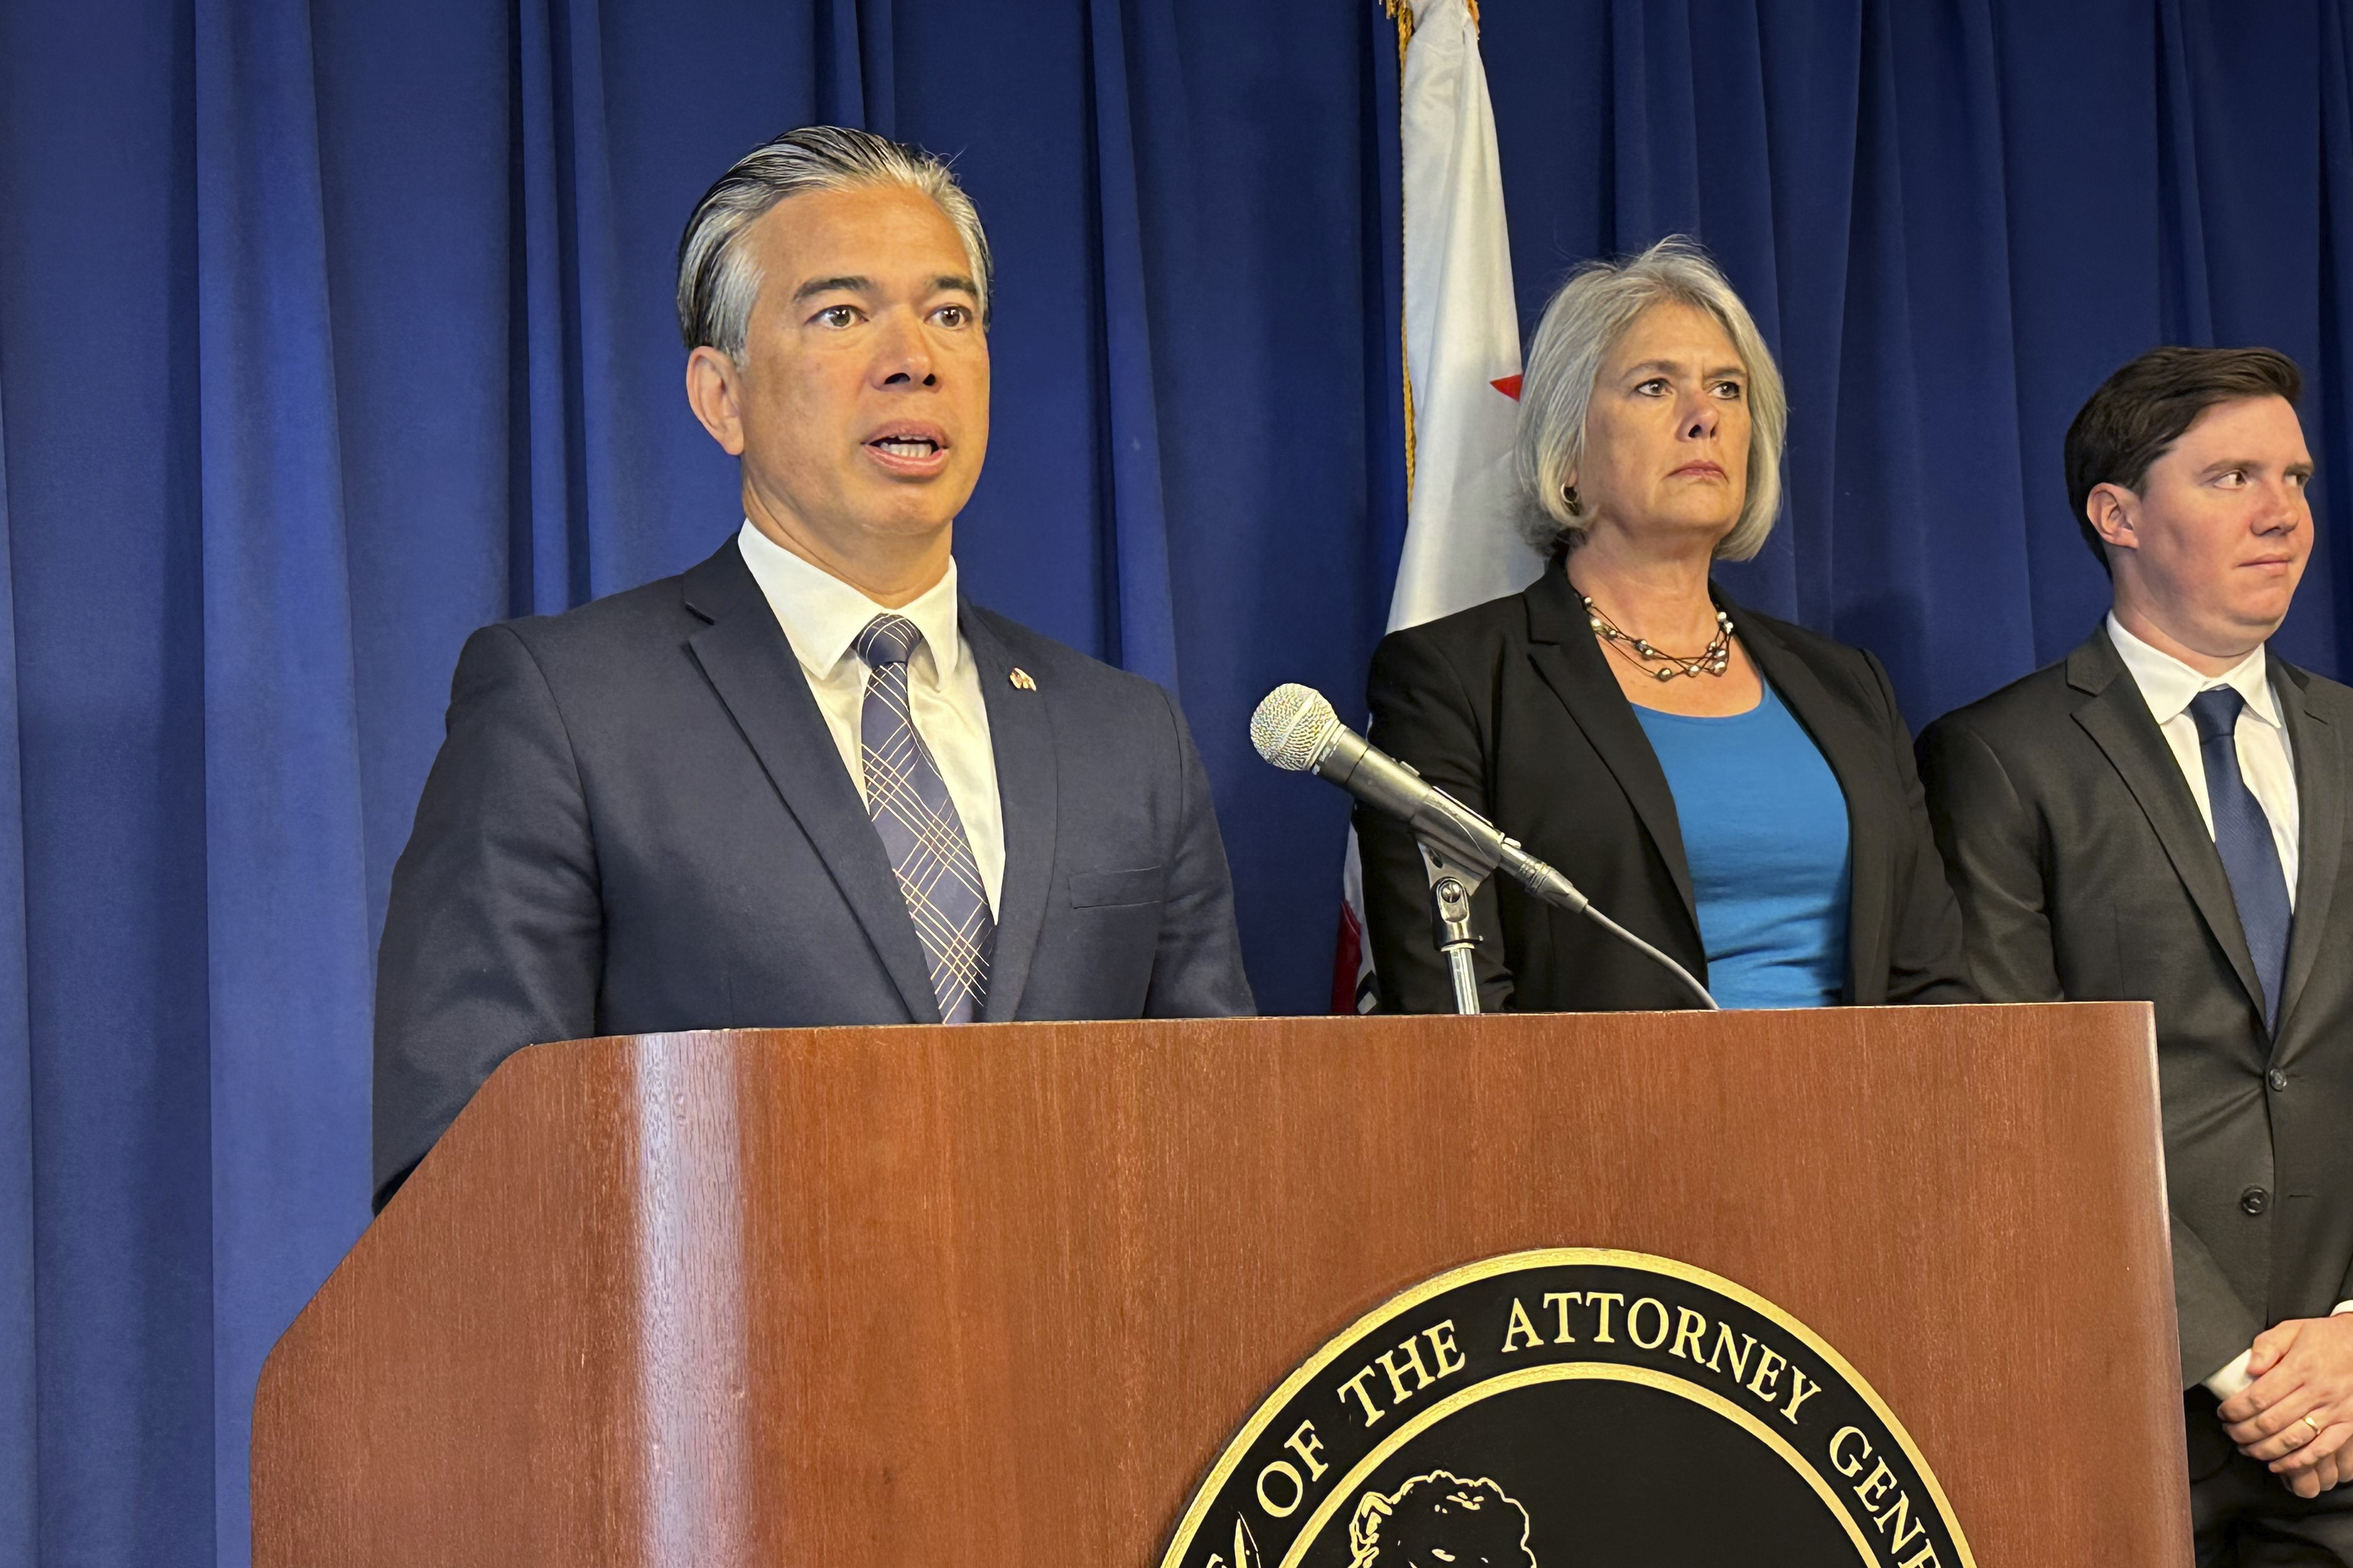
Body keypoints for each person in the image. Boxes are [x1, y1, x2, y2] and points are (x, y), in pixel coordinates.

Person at [372, 127, 1253, 1211]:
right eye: (841, 314)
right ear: (719, 396)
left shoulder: (1126, 737)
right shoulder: (566, 706)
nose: (911, 358)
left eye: (948, 313)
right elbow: (464, 1165)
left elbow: (1225, 1140)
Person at [1919, 347, 2353, 1555]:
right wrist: (2237, 1368)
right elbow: (2015, 1097)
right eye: (2228, 477)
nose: (2280, 513)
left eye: (2293, 477)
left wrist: (2346, 1341)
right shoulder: (1996, 759)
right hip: (2124, 1400)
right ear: (2115, 514)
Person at [1356, 238, 1968, 1014]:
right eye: (1653, 386)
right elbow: (1453, 1005)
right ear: (1566, 450)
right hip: (1605, 1128)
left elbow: (1931, 984)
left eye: (1727, 388)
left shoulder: (1847, 685)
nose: (1703, 417)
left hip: (1865, 1123)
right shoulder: (1457, 679)